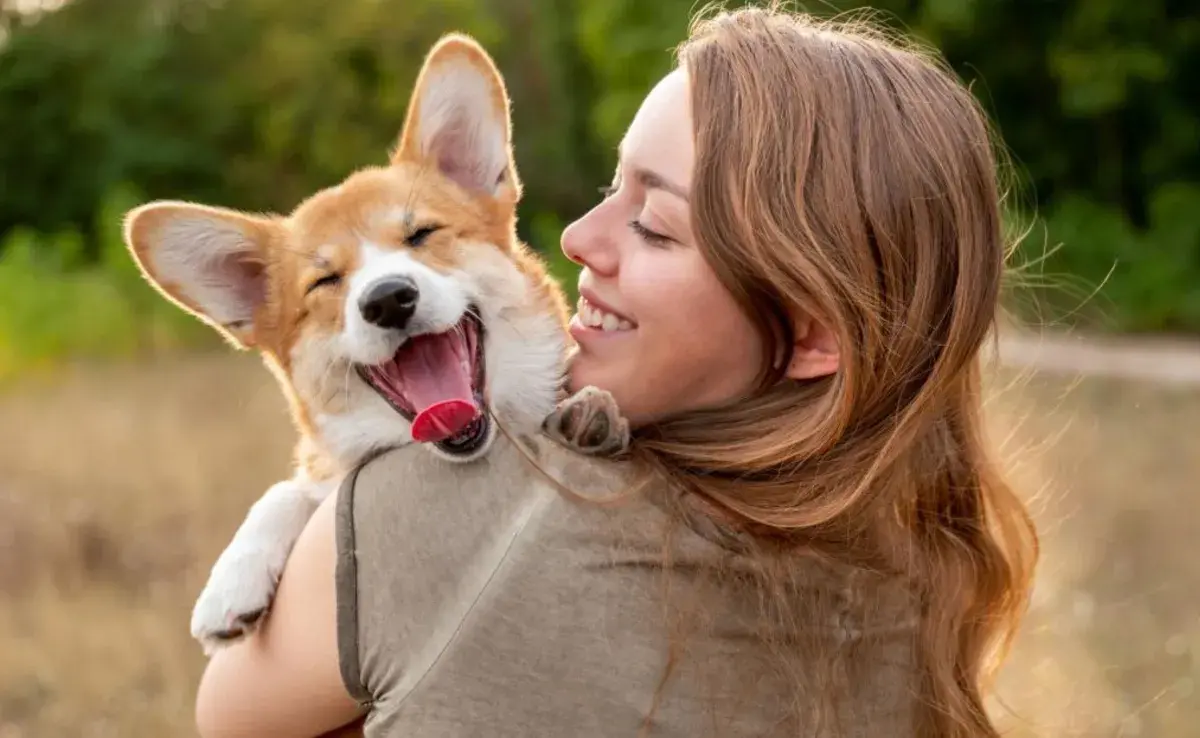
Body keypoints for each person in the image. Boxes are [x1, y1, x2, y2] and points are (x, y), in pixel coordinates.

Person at [193, 6, 1037, 737]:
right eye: (611, 186)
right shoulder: (920, 586)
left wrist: (318, 509)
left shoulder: (430, 515)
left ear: (812, 332)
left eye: (657, 226)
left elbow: (225, 718)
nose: (574, 241)